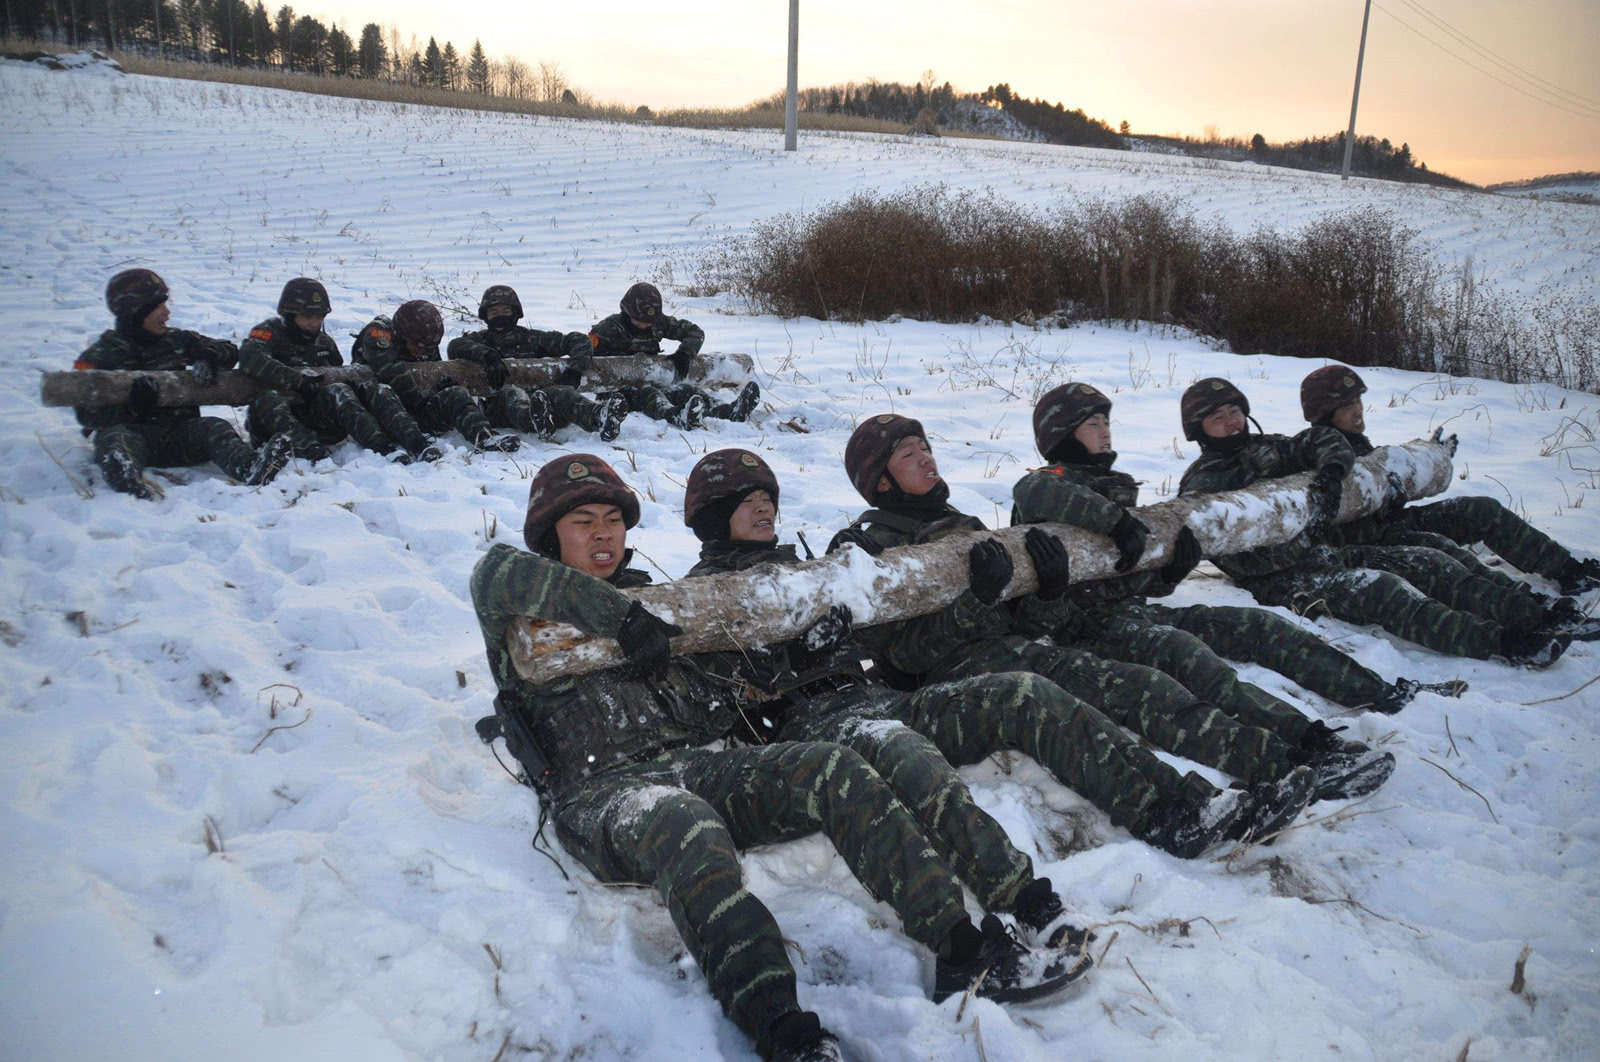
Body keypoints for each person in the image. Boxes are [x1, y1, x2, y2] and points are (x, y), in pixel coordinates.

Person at [471, 456, 1083, 1062]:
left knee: (831, 767)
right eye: (583, 521)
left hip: (690, 763)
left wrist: (779, 666)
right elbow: (493, 570)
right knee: (685, 824)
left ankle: (959, 947)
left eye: (613, 519)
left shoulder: (666, 602)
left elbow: (717, 701)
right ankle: (782, 1027)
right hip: (603, 792)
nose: (604, 534)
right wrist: (621, 618)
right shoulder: (520, 602)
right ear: (550, 531)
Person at [681, 447, 1316, 863]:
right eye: (745, 500)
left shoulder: (822, 568)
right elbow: (900, 658)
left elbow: (912, 651)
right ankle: (1175, 811)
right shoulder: (704, 599)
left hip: (899, 695)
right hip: (856, 715)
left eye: (768, 496)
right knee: (1039, 688)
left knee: (1113, 679)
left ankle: (1198, 800)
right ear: (714, 517)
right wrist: (793, 666)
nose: (764, 506)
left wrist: (1046, 590)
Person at [831, 416, 1386, 803]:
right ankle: (1206, 792)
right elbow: (906, 661)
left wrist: (1047, 591)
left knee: (1150, 685)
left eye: (926, 445)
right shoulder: (864, 550)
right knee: (1134, 688)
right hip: (961, 676)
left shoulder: (966, 526)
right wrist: (976, 601)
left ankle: (1289, 760)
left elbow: (1025, 622)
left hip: (1022, 649)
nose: (926, 456)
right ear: (880, 478)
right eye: (908, 453)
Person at [1013, 382, 1466, 715]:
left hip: (1127, 613)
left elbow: (1125, 577)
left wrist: (1168, 574)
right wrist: (1116, 523)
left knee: (1258, 627)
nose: (1105, 431)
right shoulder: (1049, 483)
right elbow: (1036, 491)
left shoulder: (1111, 486)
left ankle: (1383, 694)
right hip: (1076, 631)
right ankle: (1298, 741)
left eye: (1106, 421)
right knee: (1192, 660)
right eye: (1092, 424)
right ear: (1062, 434)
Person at [1176, 377, 1572, 668]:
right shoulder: (1203, 484)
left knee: (1424, 561)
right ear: (1198, 429)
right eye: (1218, 417)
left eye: (1235, 411)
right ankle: (1502, 642)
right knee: (1383, 589)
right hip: (1279, 577)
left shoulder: (1268, 447)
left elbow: (1320, 441)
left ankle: (1533, 614)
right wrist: (1305, 537)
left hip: (1325, 549)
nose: (1233, 422)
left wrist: (1332, 472)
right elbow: (1230, 556)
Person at [1300, 364, 1600, 615]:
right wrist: (1381, 513)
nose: (1358, 411)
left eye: (1358, 402)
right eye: (1348, 405)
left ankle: (1570, 571)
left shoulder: (1352, 441)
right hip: (1370, 541)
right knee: (1437, 551)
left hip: (1388, 525)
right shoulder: (1315, 452)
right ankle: (1528, 610)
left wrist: (1428, 460)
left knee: (1480, 510)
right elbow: (1323, 528)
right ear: (1325, 413)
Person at [72, 268, 292, 499]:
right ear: (135, 313)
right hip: (136, 436)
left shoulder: (176, 340)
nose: (167, 313)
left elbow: (229, 351)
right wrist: (131, 408)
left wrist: (207, 355)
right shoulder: (99, 356)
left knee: (214, 426)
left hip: (180, 435)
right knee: (114, 438)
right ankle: (128, 482)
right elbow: (86, 416)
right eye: (158, 307)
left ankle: (250, 468)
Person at [239, 278, 441, 464]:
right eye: (307, 316)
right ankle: (310, 452)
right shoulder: (269, 332)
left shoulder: (324, 343)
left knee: (339, 391)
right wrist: (297, 381)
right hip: (272, 425)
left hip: (313, 419)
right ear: (289, 314)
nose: (313, 323)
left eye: (319, 317)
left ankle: (383, 448)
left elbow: (336, 374)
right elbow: (251, 358)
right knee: (268, 398)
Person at [446, 285, 627, 442]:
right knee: (513, 393)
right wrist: (487, 355)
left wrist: (575, 369)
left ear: (515, 314)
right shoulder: (481, 340)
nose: (500, 317)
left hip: (542, 401)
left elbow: (580, 341)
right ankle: (535, 420)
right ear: (485, 316)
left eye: (505, 312)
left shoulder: (532, 338)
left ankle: (599, 417)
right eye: (494, 312)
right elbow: (454, 346)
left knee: (562, 391)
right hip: (500, 410)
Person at [352, 299, 520, 453]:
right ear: (401, 334)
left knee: (456, 393)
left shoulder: (426, 340)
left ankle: (485, 437)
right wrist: (421, 397)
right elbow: (392, 372)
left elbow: (433, 369)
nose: (423, 351)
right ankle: (418, 446)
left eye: (429, 347)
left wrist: (440, 389)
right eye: (418, 346)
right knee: (383, 391)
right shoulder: (378, 332)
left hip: (416, 412)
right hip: (381, 414)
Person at [588, 282, 760, 428]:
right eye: (640, 320)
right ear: (628, 311)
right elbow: (587, 360)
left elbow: (694, 332)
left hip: (652, 378)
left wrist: (684, 354)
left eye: (650, 322)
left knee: (684, 390)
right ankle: (675, 416)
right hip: (617, 392)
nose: (645, 325)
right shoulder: (607, 329)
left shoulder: (657, 323)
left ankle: (726, 411)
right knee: (650, 395)